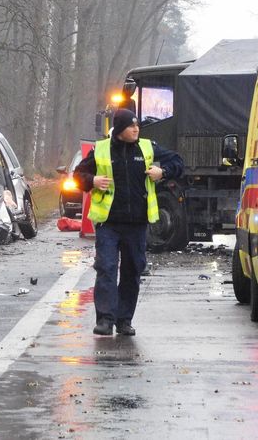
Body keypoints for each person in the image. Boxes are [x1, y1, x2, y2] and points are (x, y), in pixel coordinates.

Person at [74, 109, 184, 336]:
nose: (136, 129)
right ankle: (105, 319)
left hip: (136, 224)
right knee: (106, 268)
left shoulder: (147, 147)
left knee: (132, 270)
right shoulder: (101, 150)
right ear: (120, 129)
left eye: (137, 125)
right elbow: (78, 175)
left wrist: (162, 172)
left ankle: (124, 320)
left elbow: (178, 162)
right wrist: (92, 180)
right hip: (109, 223)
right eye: (131, 126)